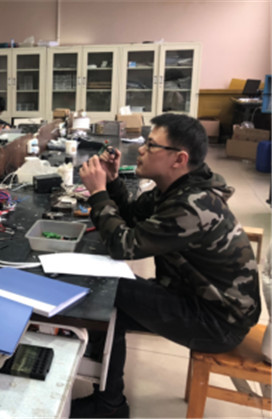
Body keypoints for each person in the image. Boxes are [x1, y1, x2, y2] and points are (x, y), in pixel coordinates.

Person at [73, 113, 261, 418]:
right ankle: (110, 401)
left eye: (151, 145)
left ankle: (109, 405)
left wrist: (98, 193)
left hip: (218, 321)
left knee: (105, 291)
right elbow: (132, 216)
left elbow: (123, 245)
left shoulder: (191, 206)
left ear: (179, 159)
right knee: (110, 304)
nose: (141, 150)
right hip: (197, 298)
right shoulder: (177, 188)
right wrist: (114, 181)